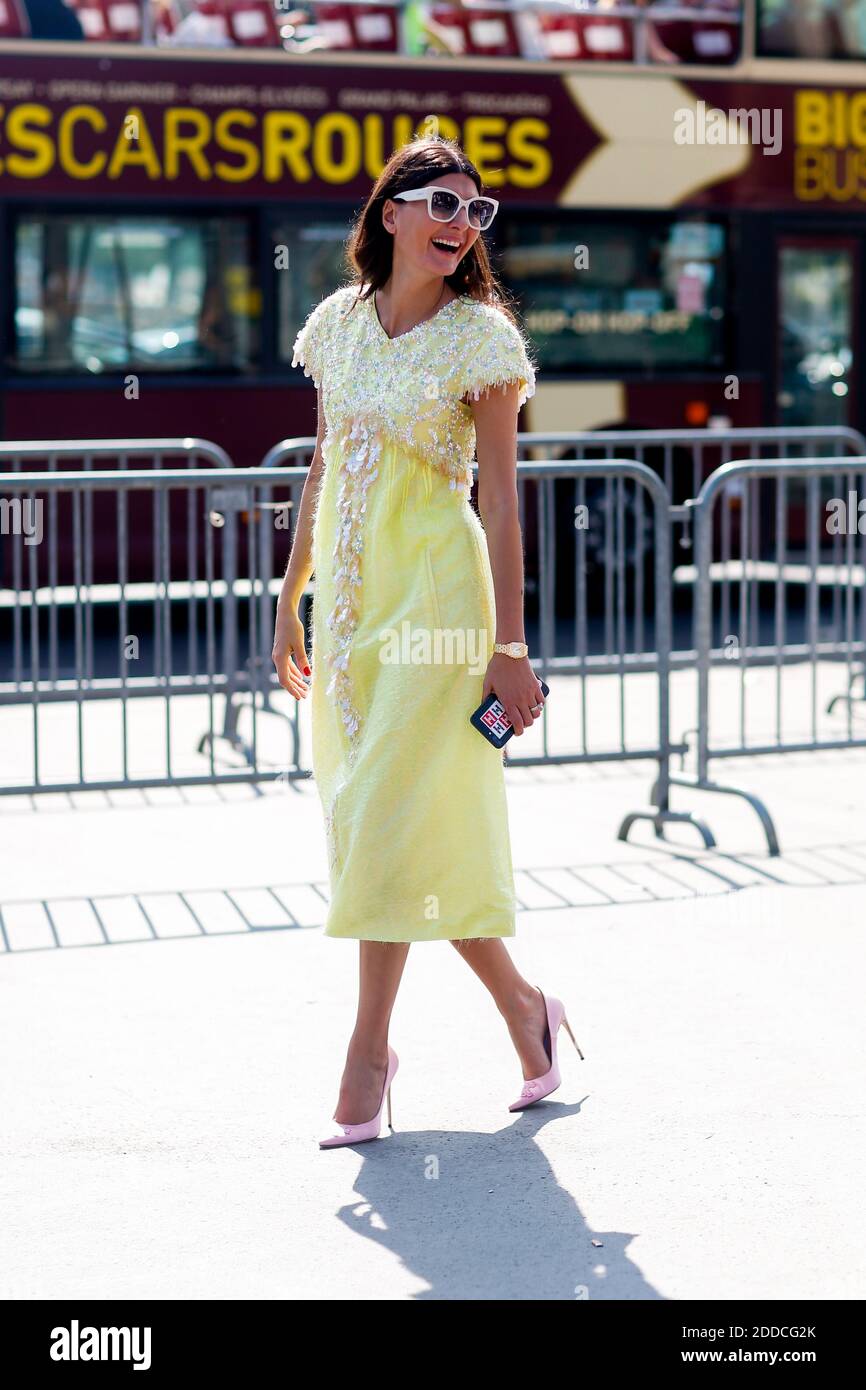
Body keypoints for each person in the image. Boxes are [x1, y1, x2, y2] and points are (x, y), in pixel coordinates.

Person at [272, 134, 584, 1148]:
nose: (460, 223)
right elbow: (322, 469)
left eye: (475, 210)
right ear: (391, 212)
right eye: (441, 202)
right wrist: (289, 599)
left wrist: (513, 646)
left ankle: (365, 1057)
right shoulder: (337, 326)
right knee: (399, 831)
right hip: (353, 614)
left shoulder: (483, 340)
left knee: (385, 820)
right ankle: (526, 1011)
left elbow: (500, 499)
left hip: (441, 614)